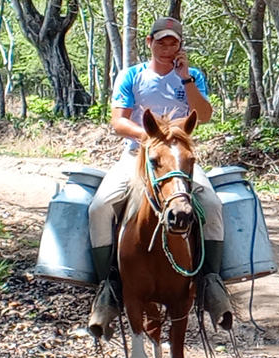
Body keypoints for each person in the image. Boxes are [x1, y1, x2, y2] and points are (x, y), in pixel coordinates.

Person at [87, 17, 233, 340]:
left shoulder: (192, 77)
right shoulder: (132, 76)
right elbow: (118, 122)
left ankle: (211, 283)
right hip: (137, 156)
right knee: (99, 207)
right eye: (161, 42)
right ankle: (107, 288)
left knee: (213, 205)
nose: (167, 48)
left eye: (173, 42)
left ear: (180, 46)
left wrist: (186, 80)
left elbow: (204, 115)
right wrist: (151, 137)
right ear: (150, 42)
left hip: (179, 160)